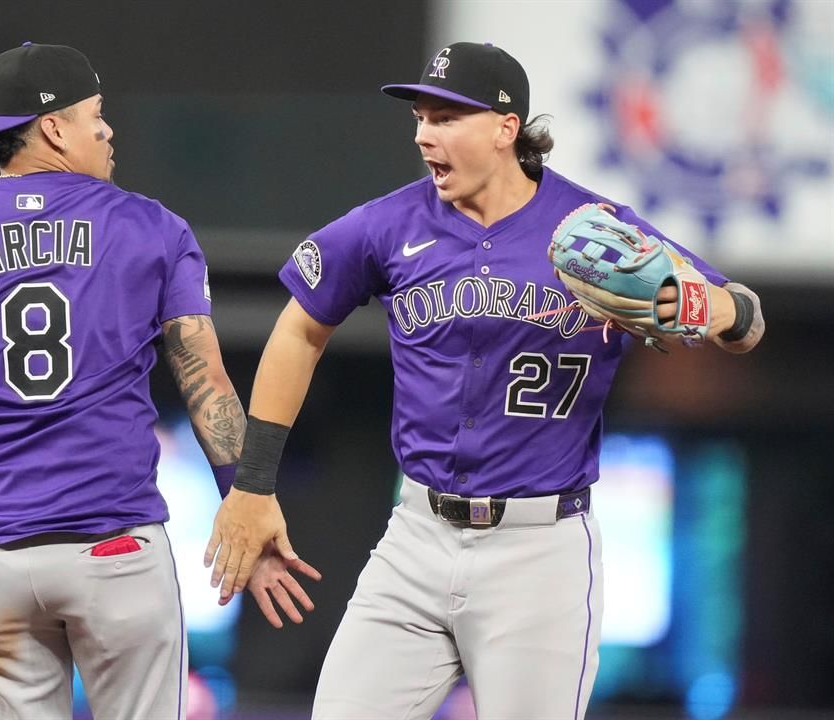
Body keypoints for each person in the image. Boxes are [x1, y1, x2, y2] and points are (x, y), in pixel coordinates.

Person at [205, 42, 765, 719]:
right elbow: (298, 328)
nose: (422, 134)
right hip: (417, 534)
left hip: (539, 551)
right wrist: (254, 482)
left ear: (506, 129)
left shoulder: (594, 232)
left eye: (445, 117)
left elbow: (746, 319)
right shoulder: (390, 223)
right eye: (420, 117)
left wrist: (708, 307)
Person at [0, 42, 317, 720]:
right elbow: (207, 381)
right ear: (53, 126)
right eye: (96, 115)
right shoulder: (151, 228)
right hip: (111, 545)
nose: (107, 131)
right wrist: (246, 500)